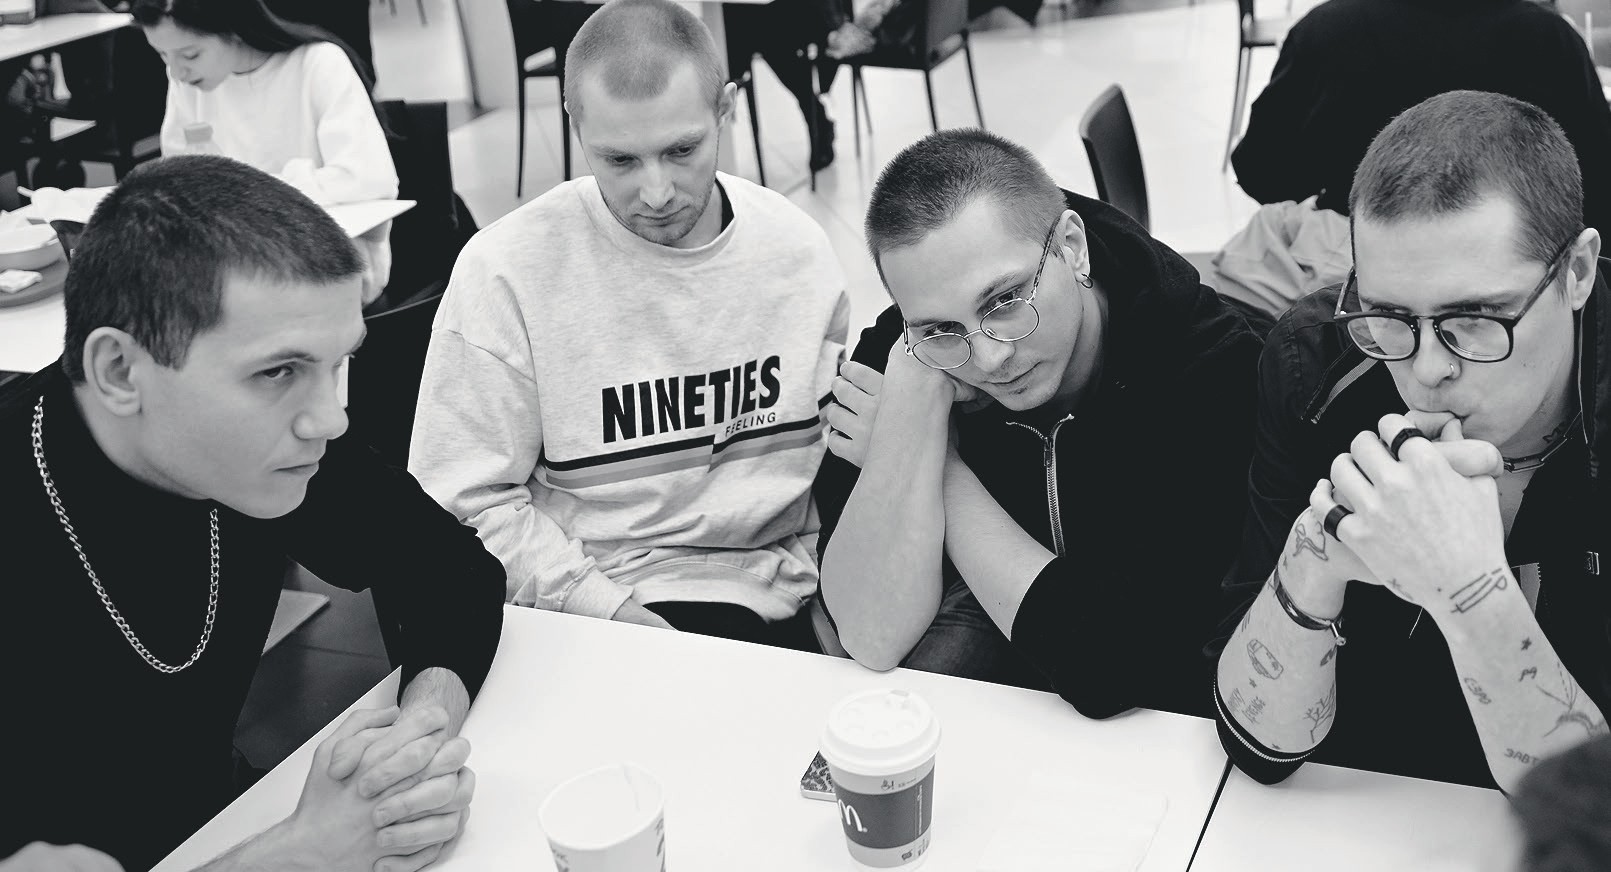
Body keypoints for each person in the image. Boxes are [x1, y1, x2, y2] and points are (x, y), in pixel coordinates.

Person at [0, 155, 505, 871]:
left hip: (227, 821)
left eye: (337, 364)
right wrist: (306, 851)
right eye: (278, 371)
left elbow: (450, 569)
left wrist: (417, 735)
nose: (330, 419)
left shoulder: (267, 446)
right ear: (119, 371)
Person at [409, 0, 848, 648]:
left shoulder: (797, 251)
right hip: (591, 604)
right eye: (619, 160)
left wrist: (831, 601)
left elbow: (837, 457)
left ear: (725, 109)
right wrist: (613, 616)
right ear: (575, 123)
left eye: (681, 150)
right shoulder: (506, 272)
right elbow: (462, 500)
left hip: (783, 594)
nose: (657, 192)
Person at [1213, 91, 1611, 793]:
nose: (1427, 370)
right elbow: (1256, 750)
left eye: (1477, 317)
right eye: (1389, 315)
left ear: (1575, 272)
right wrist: (1314, 556)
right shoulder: (1318, 366)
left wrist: (1470, 591)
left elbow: (1593, 825)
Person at [811, 129, 1263, 716]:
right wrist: (915, 403)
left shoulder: (1212, 370)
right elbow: (868, 633)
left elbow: (1117, 664)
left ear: (1073, 248)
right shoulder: (916, 352)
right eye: (942, 329)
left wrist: (938, 463)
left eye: (1003, 303)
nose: (988, 358)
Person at [1218, 0, 1611, 316]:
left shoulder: (1327, 29)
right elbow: (1597, 183)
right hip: (1510, 267)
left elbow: (1261, 171)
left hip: (1356, 254)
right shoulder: (1550, 38)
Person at [133, 0, 398, 302]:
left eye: (190, 54)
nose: (176, 71)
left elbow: (368, 179)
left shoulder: (317, 64)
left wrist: (243, 197)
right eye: (162, 55)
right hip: (231, 267)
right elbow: (178, 182)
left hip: (326, 269)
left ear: (233, 30)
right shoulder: (187, 82)